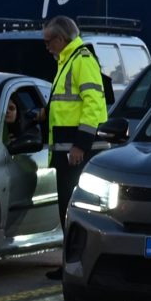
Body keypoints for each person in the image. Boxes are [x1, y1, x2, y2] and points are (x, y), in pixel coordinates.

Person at [41, 16, 108, 280]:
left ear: (61, 39)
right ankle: (69, 262)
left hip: (76, 152)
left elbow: (94, 105)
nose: (47, 47)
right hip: (67, 150)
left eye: (48, 42)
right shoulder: (68, 60)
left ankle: (75, 264)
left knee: (76, 211)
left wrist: (81, 145)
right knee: (67, 211)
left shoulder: (81, 60)